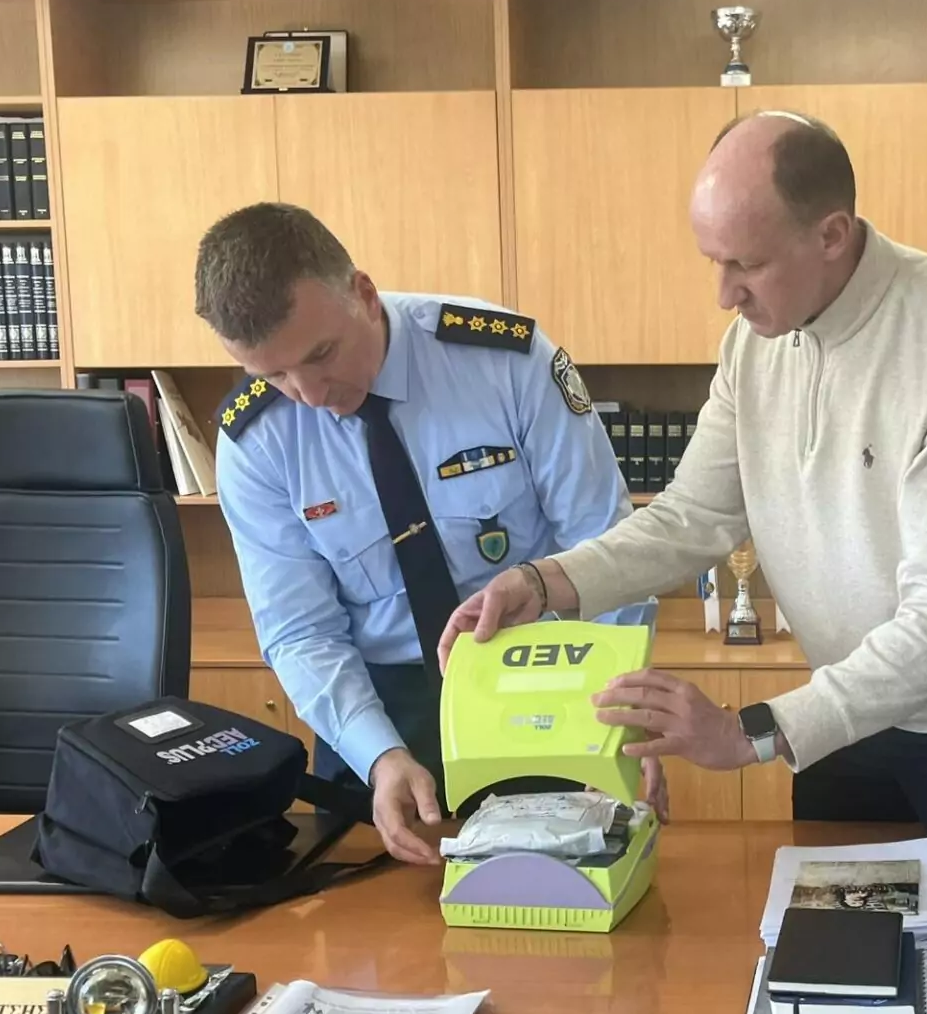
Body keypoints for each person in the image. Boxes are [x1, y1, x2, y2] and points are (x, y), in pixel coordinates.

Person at [438, 111, 927, 1014]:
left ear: (832, 234)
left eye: (745, 264)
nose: (724, 294)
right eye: (714, 262)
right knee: (840, 961)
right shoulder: (755, 341)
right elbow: (693, 516)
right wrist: (547, 582)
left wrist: (752, 733)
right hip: (842, 713)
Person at [196, 202, 636, 868]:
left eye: (321, 355)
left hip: (539, 690)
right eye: (275, 377)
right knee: (371, 926)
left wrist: (616, 715)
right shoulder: (255, 440)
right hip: (375, 713)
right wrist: (378, 755)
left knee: (556, 908)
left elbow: (604, 545)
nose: (309, 394)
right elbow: (300, 631)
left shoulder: (504, 361)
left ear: (364, 294)